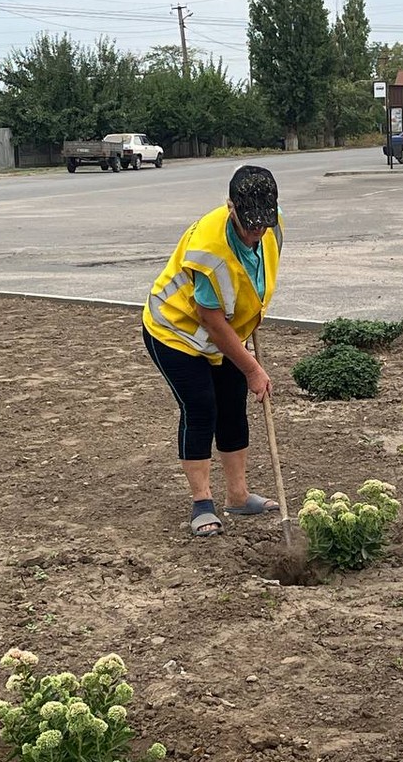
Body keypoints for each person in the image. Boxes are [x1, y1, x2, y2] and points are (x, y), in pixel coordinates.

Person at [142, 165, 285, 537]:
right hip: (177, 332)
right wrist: (252, 368)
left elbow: (255, 278)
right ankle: (201, 504)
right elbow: (210, 318)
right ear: (231, 207)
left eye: (263, 222)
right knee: (202, 407)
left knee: (233, 406)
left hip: (227, 334)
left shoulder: (273, 226)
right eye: (249, 223)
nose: (257, 231)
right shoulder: (208, 247)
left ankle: (238, 497)